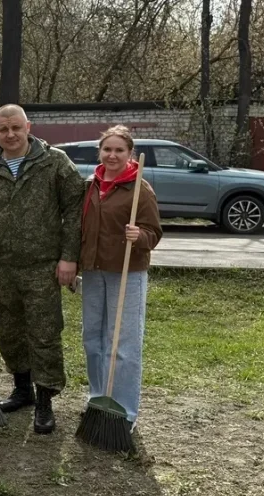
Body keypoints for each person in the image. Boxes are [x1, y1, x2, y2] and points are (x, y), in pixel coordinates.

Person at [0, 104, 83, 434]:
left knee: (44, 333)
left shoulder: (55, 163)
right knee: (9, 332)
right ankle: (22, 389)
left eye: (15, 128)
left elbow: (75, 211)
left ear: (28, 127)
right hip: (2, 267)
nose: (10, 134)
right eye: (3, 129)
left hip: (42, 266)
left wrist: (69, 257)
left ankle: (45, 399)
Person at [80, 125, 162, 431]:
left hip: (127, 272)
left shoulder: (140, 188)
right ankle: (98, 399)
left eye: (119, 150)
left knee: (123, 344)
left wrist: (139, 235)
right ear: (99, 152)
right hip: (93, 271)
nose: (112, 155)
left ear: (130, 154)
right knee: (93, 339)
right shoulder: (91, 185)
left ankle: (124, 412)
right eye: (107, 149)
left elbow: (154, 233)